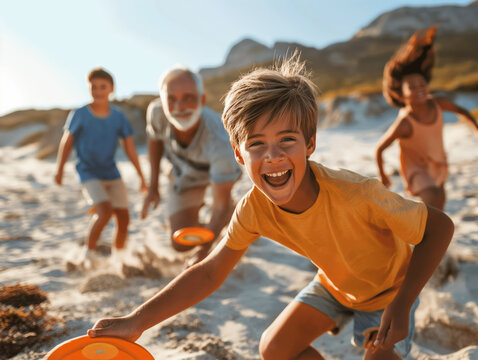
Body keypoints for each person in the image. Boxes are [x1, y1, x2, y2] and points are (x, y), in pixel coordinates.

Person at [88, 55, 454, 360]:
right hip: (334, 285)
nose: (273, 157)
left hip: (390, 291)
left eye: (287, 140)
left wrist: (405, 302)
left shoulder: (355, 192)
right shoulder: (254, 209)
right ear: (237, 153)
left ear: (310, 143)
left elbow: (439, 227)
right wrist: (137, 320)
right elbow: (209, 273)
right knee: (273, 349)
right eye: (257, 144)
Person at [375, 26, 478, 210]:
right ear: (401, 95)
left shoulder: (438, 103)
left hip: (438, 165)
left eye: (422, 83)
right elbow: (380, 149)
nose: (419, 88)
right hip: (417, 171)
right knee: (434, 200)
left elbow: (462, 111)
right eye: (412, 87)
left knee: (439, 209)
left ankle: (423, 237)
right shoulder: (405, 123)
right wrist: (383, 175)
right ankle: (420, 235)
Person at [141, 65, 241, 265]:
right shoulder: (157, 113)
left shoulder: (220, 141)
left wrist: (203, 253)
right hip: (182, 175)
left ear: (202, 100)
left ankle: (232, 209)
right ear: (163, 101)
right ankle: (218, 218)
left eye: (188, 97)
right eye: (171, 99)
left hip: (217, 176)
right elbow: (154, 141)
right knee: (180, 244)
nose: (179, 106)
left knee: (221, 210)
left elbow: (218, 207)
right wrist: (153, 187)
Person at [54, 67, 147, 268]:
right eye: (93, 87)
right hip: (88, 171)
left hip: (111, 172)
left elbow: (130, 149)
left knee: (123, 218)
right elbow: (67, 142)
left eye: (102, 87)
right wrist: (59, 169)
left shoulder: (118, 117)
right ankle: (88, 255)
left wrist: (141, 176)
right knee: (104, 212)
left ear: (111, 89)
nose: (98, 91)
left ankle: (119, 258)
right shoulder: (80, 114)